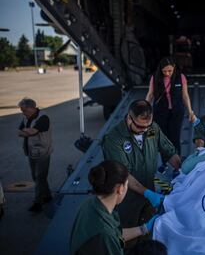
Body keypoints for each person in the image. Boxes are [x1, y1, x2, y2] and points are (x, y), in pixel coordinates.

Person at [102, 99, 180, 227]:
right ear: (129, 118)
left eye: (147, 126)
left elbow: (169, 152)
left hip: (148, 197)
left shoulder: (152, 128)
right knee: (127, 239)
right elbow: (123, 175)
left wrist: (182, 172)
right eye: (139, 126)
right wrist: (148, 194)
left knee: (147, 238)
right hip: (125, 201)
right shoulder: (114, 139)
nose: (144, 130)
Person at [70, 160, 158, 255]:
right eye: (127, 184)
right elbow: (111, 237)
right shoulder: (105, 236)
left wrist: (144, 228)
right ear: (120, 189)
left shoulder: (91, 203)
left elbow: (116, 234)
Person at [145, 57, 197, 154]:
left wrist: (190, 111)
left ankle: (177, 163)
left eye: (170, 70)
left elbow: (185, 95)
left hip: (177, 111)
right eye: (164, 71)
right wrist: (144, 108)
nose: (167, 73)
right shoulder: (155, 77)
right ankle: (165, 162)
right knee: (163, 137)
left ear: (174, 67)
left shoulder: (181, 77)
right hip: (160, 111)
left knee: (175, 136)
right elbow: (150, 94)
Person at [18, 97, 53, 212]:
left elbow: (33, 131)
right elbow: (19, 132)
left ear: (32, 108)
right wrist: (29, 131)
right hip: (31, 152)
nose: (23, 113)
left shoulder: (43, 117)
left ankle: (38, 202)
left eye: (24, 110)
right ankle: (47, 196)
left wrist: (28, 131)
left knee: (39, 177)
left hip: (43, 153)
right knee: (37, 177)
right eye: (22, 110)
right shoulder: (25, 117)